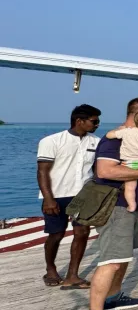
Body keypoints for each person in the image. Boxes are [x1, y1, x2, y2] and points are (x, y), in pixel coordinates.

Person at [74, 98, 138, 310]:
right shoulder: (115, 139)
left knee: (124, 255)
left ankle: (113, 297)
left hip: (130, 206)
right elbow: (105, 171)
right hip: (115, 206)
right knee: (110, 261)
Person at [36, 104, 101, 289]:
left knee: (82, 233)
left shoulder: (96, 142)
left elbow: (97, 170)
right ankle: (50, 268)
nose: (97, 124)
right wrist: (48, 199)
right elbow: (42, 172)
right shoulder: (51, 141)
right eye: (94, 121)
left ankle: (73, 275)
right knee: (56, 235)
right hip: (56, 195)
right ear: (79, 121)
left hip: (83, 195)